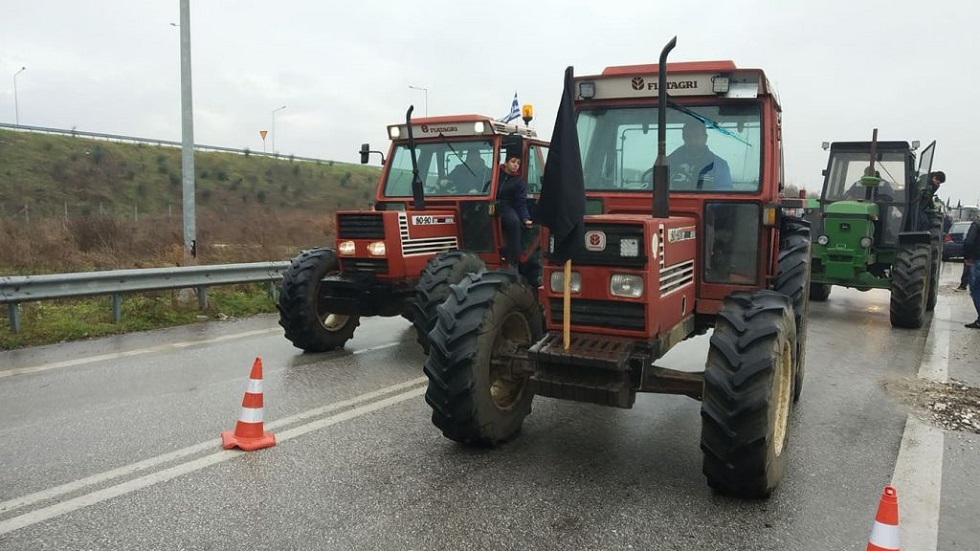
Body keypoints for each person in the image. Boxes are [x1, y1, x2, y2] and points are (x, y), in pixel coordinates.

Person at [667, 120, 733, 190]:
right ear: (683, 138)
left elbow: (723, 195)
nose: (693, 141)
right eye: (688, 137)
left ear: (705, 138)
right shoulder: (666, 163)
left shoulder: (720, 165)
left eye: (697, 137)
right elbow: (655, 186)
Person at [496, 150, 533, 270]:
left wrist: (525, 218)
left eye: (518, 163)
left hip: (507, 205)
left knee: (514, 222)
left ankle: (513, 259)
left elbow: (520, 202)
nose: (516, 165)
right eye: (513, 161)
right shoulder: (496, 174)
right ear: (505, 162)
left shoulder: (519, 182)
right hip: (491, 202)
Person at [963, 217, 980, 328]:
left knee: (976, 290)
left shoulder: (977, 224)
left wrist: (967, 256)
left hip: (978, 260)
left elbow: (969, 242)